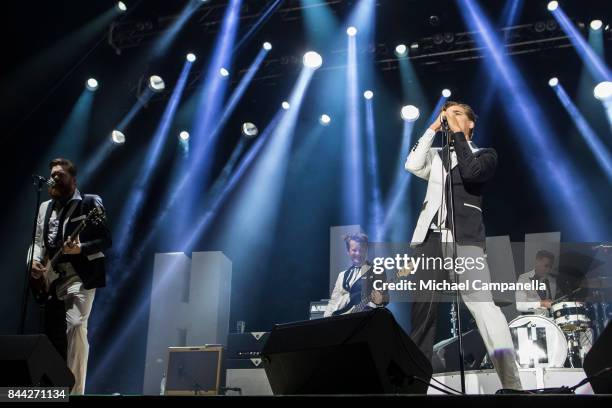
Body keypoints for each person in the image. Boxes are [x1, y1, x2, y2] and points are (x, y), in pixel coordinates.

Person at [404, 101, 523, 390]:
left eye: (458, 114)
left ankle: (513, 385)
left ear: (471, 124)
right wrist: (433, 128)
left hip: (466, 241)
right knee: (423, 315)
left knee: (485, 309)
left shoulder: (485, 154)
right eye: (448, 114)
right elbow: (411, 164)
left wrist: (457, 135)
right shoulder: (437, 156)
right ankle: (415, 387)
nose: (450, 118)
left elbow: (471, 172)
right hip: (431, 240)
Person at [29, 158, 111, 394]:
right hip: (53, 276)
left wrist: (80, 248)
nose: (54, 178)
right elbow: (37, 242)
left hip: (80, 275)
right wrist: (34, 261)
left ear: (73, 180)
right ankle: (53, 389)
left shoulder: (89, 203)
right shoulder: (44, 207)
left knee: (76, 325)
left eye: (60, 175)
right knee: (52, 336)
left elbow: (106, 240)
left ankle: (76, 392)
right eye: (52, 174)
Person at [324, 233, 389, 317]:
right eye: (354, 250)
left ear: (366, 250)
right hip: (342, 320)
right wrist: (325, 321)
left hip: (366, 318)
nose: (358, 254)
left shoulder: (377, 270)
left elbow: (386, 297)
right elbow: (333, 302)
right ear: (348, 251)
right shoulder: (342, 275)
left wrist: (380, 300)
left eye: (361, 250)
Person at [516, 250, 557, 315]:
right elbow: (519, 306)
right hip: (531, 321)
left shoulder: (552, 281)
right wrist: (541, 303)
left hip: (548, 321)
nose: (548, 270)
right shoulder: (524, 278)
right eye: (546, 266)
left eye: (550, 267)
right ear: (537, 262)